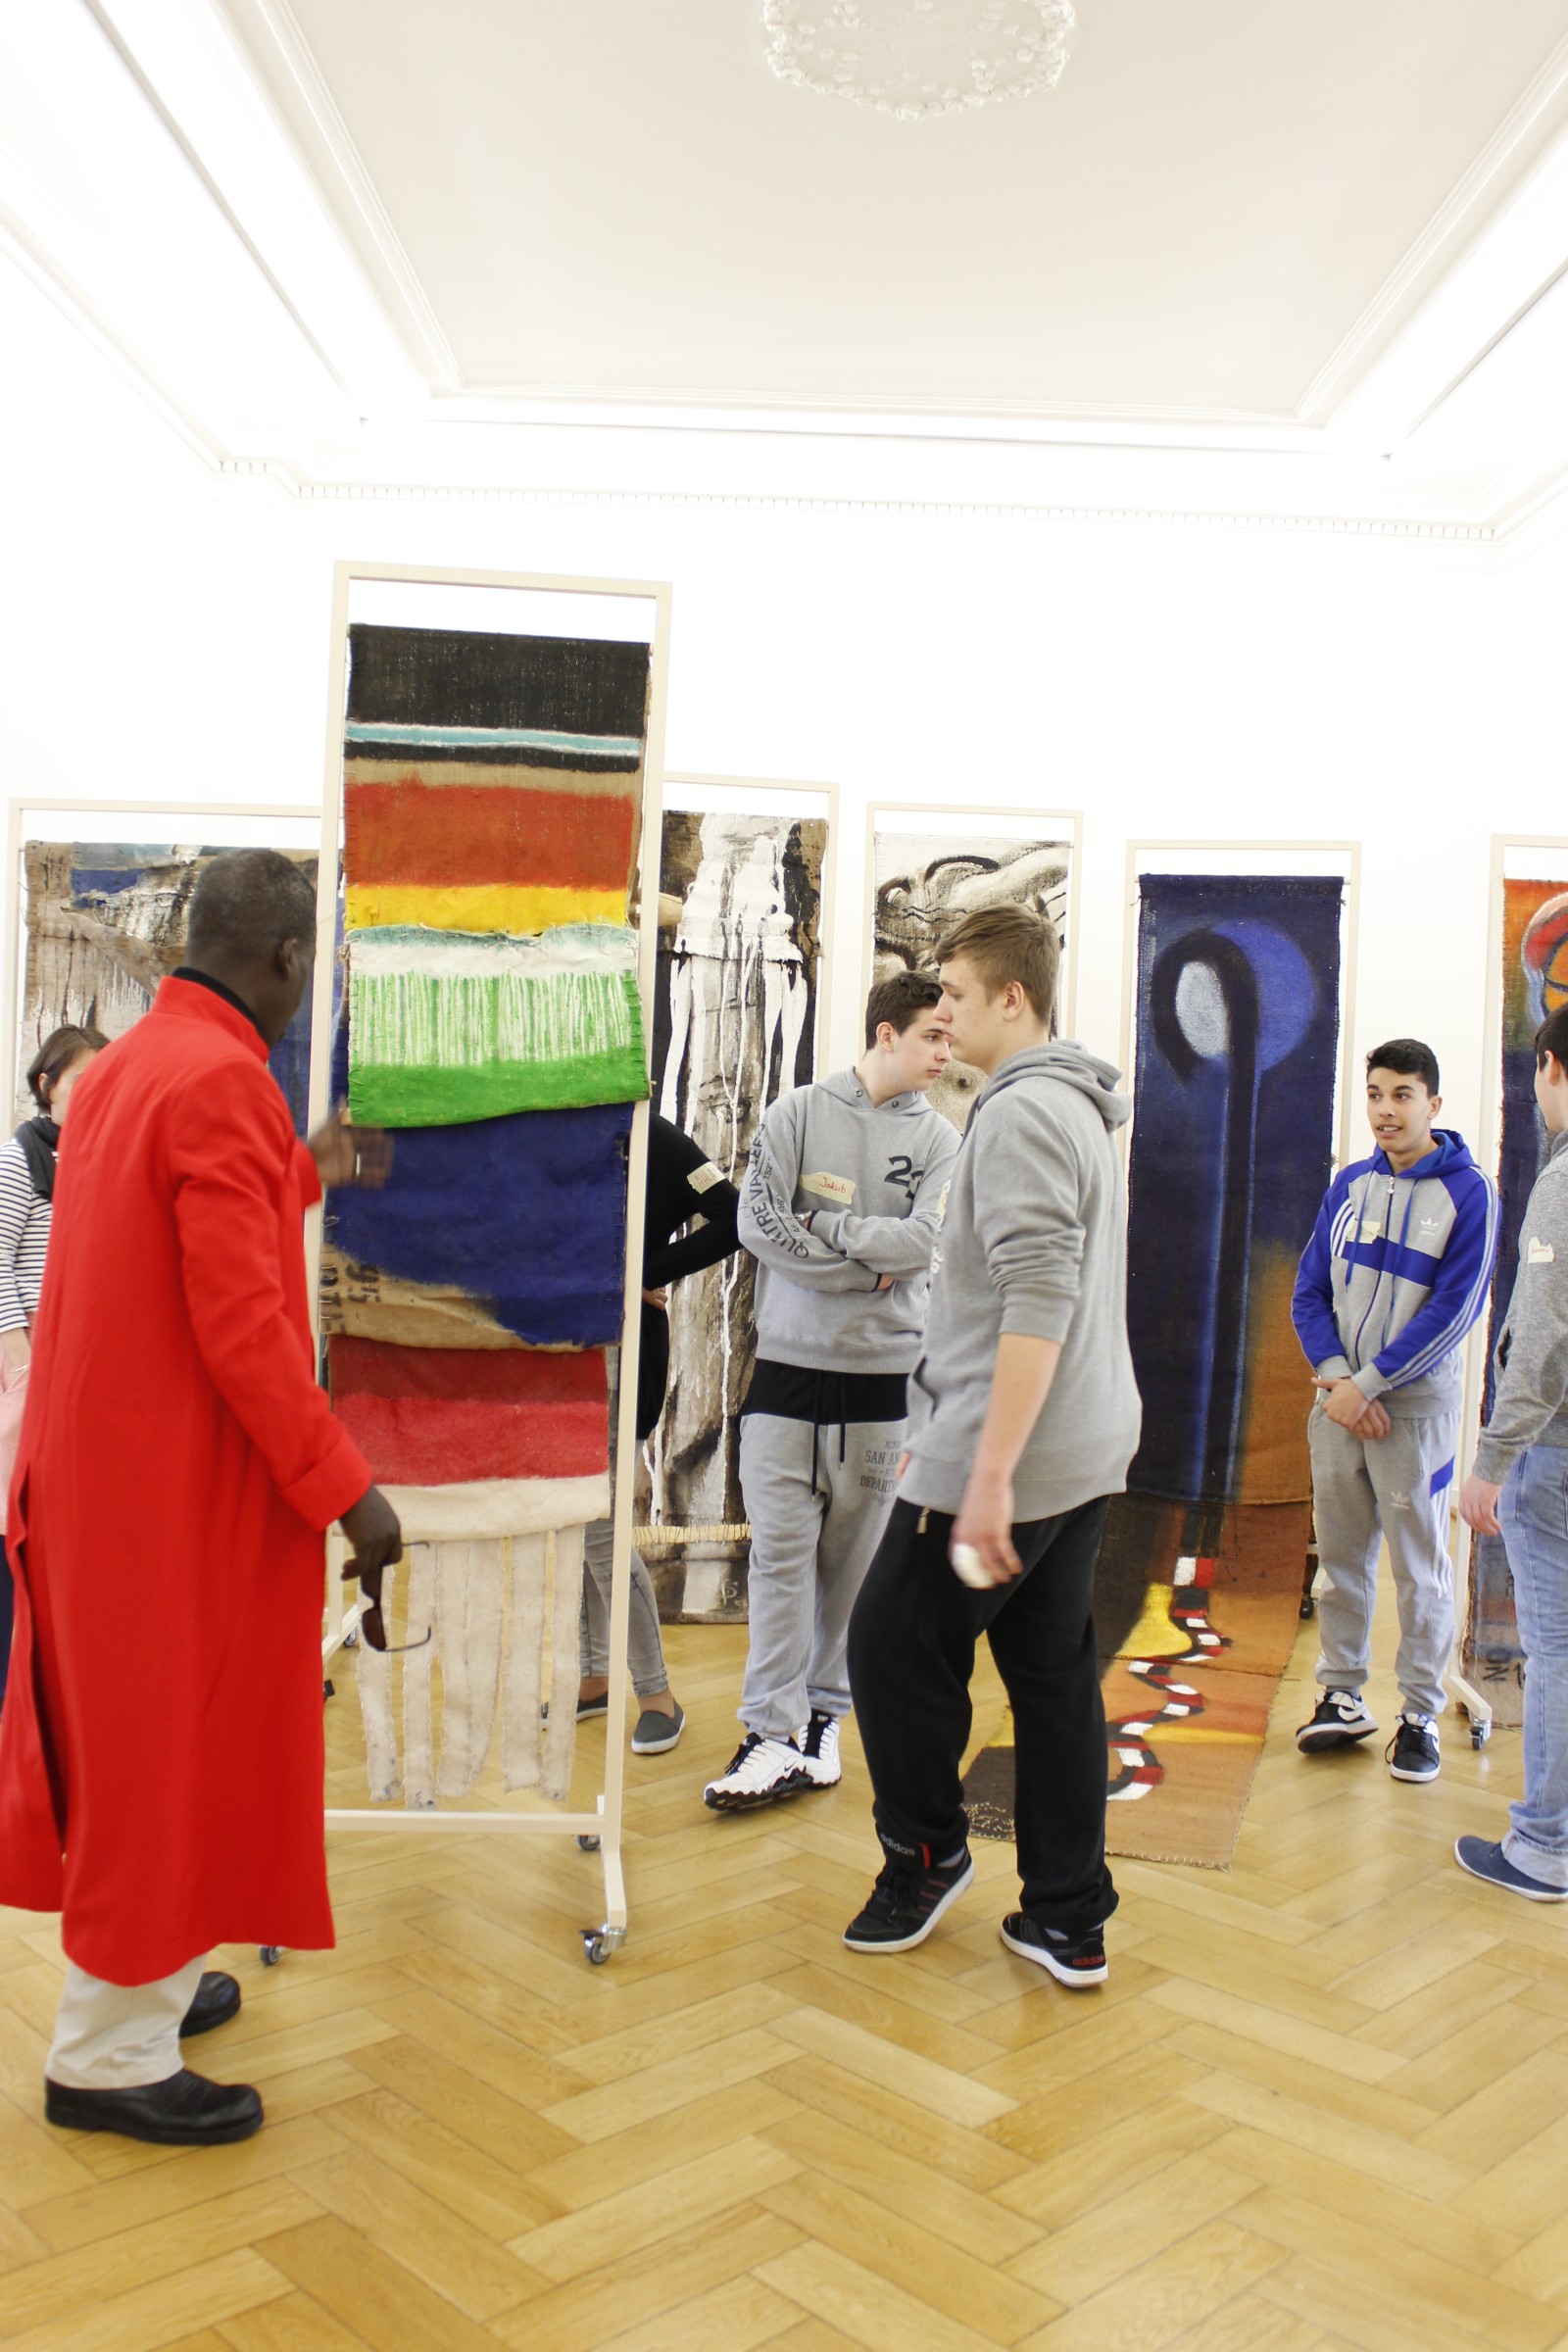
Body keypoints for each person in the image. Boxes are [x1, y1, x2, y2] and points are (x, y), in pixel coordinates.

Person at [0, 849, 403, 2148]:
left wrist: (301, 1167)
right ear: (287, 959)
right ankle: (106, 2056)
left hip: (107, 1479)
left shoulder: (131, 1063)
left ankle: (154, 1982)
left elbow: (173, 1222)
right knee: (159, 1757)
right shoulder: (222, 1081)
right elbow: (241, 1327)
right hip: (162, 1496)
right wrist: (348, 1491)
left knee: (153, 1747)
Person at [844, 906, 1141, 1986]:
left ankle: (925, 1856)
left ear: (1013, 998)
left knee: (887, 1646)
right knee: (1051, 1677)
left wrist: (989, 1477)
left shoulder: (1021, 1115)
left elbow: (1038, 1298)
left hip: (1015, 1454)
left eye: (958, 994)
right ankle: (1067, 1914)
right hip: (1080, 1447)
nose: (944, 1010)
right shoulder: (1075, 1104)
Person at [704, 971, 958, 1810]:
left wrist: (828, 1229)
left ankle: (822, 1719)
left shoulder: (942, 1141)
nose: (946, 1051)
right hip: (784, 1375)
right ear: (887, 1034)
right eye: (932, 1035)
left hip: (883, 1387)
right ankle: (767, 1734)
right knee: (779, 1560)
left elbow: (921, 1245)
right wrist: (863, 1271)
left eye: (950, 1036)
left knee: (850, 1575)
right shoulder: (797, 1114)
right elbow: (757, 1223)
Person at [1291, 1040, 1496, 1783]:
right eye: (1375, 1094)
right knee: (1341, 1561)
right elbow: (1309, 1292)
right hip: (1339, 1406)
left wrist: (1370, 1386)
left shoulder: (1469, 1193)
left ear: (1432, 1104)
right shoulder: (1349, 1185)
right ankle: (1342, 1695)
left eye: (1402, 1095)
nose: (1385, 1110)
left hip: (1412, 1418)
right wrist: (1341, 1381)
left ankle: (1419, 1714)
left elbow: (1454, 1312)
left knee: (1420, 1569)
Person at [578, 1112, 741, 1754]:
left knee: (600, 1528)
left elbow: (731, 1215)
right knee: (577, 1518)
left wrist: (646, 1272)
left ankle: (657, 1697)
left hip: (620, 1355)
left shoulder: (649, 1133)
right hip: (557, 1350)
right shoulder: (553, 1122)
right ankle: (594, 1678)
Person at [1457, 1004, 1568, 1897]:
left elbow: (1537, 1343)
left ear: (1552, 1069)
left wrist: (1491, 1461)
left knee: (1558, 1649)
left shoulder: (1563, 1183)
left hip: (1553, 1454)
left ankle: (1544, 1847)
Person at [0, 1025, 109, 1710]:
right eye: (82, 1081)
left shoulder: (102, 1157)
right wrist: (21, 1360)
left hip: (83, 1374)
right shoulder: (21, 1158)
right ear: (47, 1086)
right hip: (31, 1368)